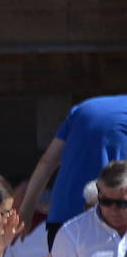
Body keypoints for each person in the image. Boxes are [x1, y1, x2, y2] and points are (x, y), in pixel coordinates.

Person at [21, 95, 127, 246]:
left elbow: (47, 161)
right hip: (110, 222)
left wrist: (26, 211)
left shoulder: (83, 108)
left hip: (62, 220)